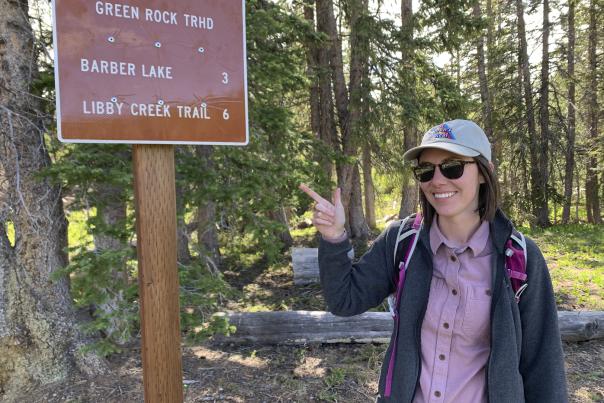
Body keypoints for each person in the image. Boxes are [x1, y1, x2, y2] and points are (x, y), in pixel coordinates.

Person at [299, 119, 568, 403]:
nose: (438, 180)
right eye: (426, 171)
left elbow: (543, 365)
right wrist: (334, 237)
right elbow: (344, 300)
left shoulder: (520, 258)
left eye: (453, 167)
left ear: (484, 172)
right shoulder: (402, 242)